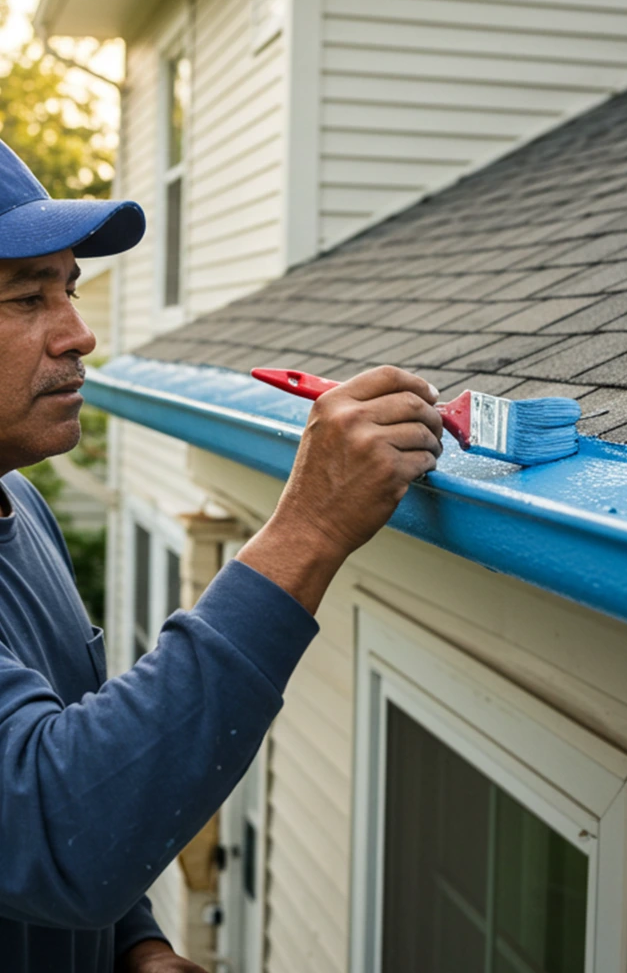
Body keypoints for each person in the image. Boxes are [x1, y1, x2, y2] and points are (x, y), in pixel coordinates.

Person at [0, 139, 443, 972]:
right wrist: (308, 529)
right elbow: (59, 828)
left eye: (70, 290)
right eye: (29, 298)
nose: (79, 335)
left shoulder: (18, 502)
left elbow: (67, 763)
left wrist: (136, 944)